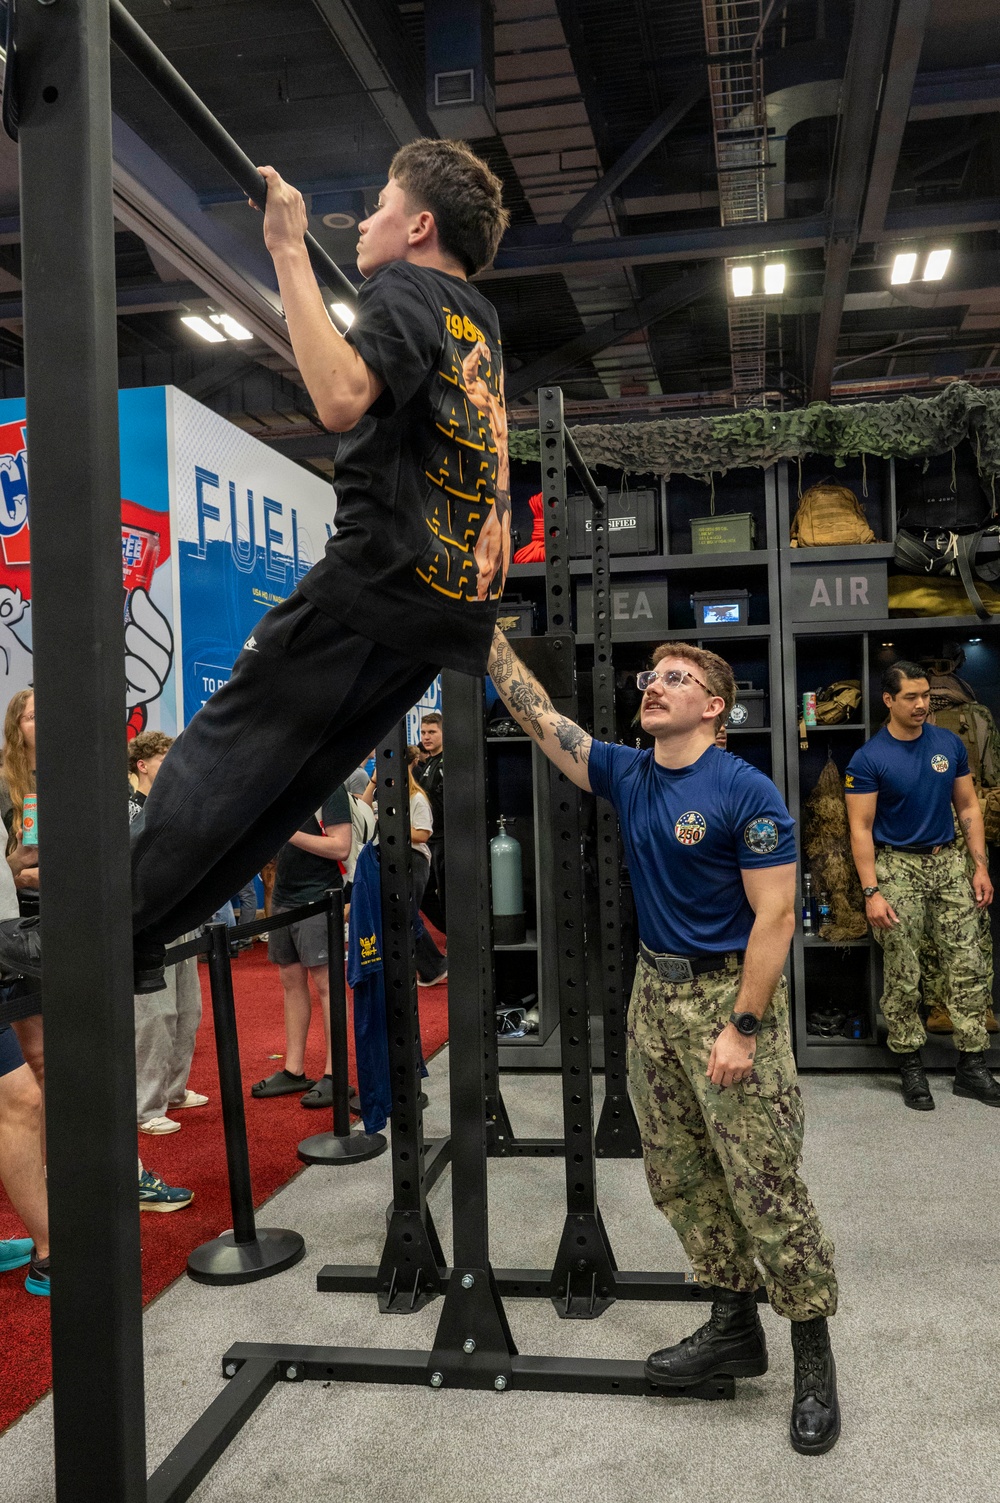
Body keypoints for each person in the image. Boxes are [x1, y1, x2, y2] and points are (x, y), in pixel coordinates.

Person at [0, 138, 510, 993]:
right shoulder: (480, 321)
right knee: (273, 793)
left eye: (381, 206)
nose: (367, 222)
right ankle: (135, 932)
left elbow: (340, 396)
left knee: (214, 756)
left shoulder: (407, 285)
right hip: (442, 612)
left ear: (420, 227)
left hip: (373, 584)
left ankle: (87, 934)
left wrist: (284, 248)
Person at [487, 629, 840, 1456]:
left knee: (764, 1181)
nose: (654, 685)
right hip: (655, 993)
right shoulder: (629, 769)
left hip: (729, 994)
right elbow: (541, 719)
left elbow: (777, 917)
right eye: (652, 676)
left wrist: (744, 1027)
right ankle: (732, 1327)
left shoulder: (745, 791)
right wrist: (488, 639)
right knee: (680, 1175)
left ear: (714, 706)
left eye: (675, 678)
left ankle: (814, 1359)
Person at [844, 661, 998, 1111]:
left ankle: (972, 1064)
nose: (921, 704)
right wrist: (872, 891)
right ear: (889, 700)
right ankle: (910, 1064)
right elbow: (860, 828)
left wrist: (980, 866)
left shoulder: (948, 744)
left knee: (968, 962)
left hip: (948, 860)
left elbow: (969, 807)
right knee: (903, 969)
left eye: (925, 695)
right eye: (911, 696)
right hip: (897, 867)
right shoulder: (869, 758)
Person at [251, 784, 352, 1107]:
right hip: (284, 897)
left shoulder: (329, 790)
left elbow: (341, 847)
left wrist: (288, 832)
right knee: (291, 983)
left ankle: (336, 1074)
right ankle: (293, 1070)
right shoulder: (282, 790)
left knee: (327, 985)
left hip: (318, 897)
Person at [128, 733, 208, 1135]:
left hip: (181, 916)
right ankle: (145, 1107)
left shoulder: (174, 804)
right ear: (142, 764)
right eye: (164, 758)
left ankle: (174, 1089)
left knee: (188, 1011)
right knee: (154, 1016)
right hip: (149, 925)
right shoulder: (128, 809)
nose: (174, 765)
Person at [362, 754, 447, 986]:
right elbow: (363, 810)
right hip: (389, 859)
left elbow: (423, 834)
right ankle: (431, 966)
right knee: (399, 914)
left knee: (404, 914)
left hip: (415, 859)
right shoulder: (384, 795)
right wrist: (372, 782)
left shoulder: (417, 798)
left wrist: (393, 828)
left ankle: (434, 965)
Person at [416, 712, 447, 932]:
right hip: (430, 841)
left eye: (432, 732)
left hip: (444, 841)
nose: (427, 737)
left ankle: (455, 940)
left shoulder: (447, 763)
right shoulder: (429, 763)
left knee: (447, 896)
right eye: (423, 732)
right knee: (426, 894)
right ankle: (450, 932)